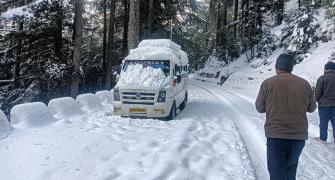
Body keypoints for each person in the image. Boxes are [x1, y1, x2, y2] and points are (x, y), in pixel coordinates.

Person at [255, 53, 317, 180]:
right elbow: (312, 108)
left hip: (276, 134)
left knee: (276, 171)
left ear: (277, 67)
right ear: (291, 67)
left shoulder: (267, 83)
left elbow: (260, 107)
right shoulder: (304, 84)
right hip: (298, 136)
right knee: (291, 169)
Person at [315, 61, 335, 143]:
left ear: (326, 69)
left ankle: (323, 138)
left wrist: (318, 100)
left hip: (324, 106)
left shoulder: (321, 78)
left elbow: (318, 93)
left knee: (323, 123)